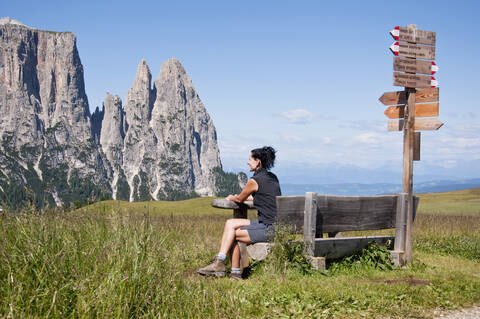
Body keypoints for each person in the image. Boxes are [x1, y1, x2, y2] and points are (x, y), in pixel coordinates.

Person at [197, 146, 281, 280]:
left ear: (257, 161)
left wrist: (232, 197)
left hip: (269, 229)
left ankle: (231, 271)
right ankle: (222, 263)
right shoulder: (273, 178)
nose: (248, 162)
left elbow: (240, 199)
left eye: (250, 159)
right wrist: (243, 197)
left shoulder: (254, 181)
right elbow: (262, 197)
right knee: (230, 223)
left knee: (233, 235)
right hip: (275, 226)